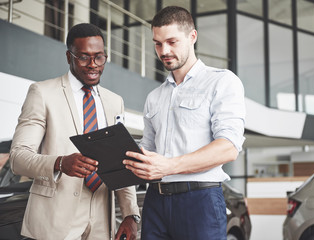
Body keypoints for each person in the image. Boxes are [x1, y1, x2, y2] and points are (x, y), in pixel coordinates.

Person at [123, 6, 246, 240]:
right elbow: (149, 150)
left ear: (192, 37)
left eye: (171, 41)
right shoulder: (154, 97)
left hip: (200, 202)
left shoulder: (222, 82)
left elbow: (229, 147)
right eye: (158, 43)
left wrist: (168, 166)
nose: (164, 51)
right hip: (155, 201)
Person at [9, 23, 140, 240]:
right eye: (83, 57)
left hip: (101, 217)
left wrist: (130, 214)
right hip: (55, 219)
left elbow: (121, 161)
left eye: (99, 57)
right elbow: (18, 157)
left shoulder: (114, 102)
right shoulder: (42, 93)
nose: (93, 65)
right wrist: (60, 163)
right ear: (69, 57)